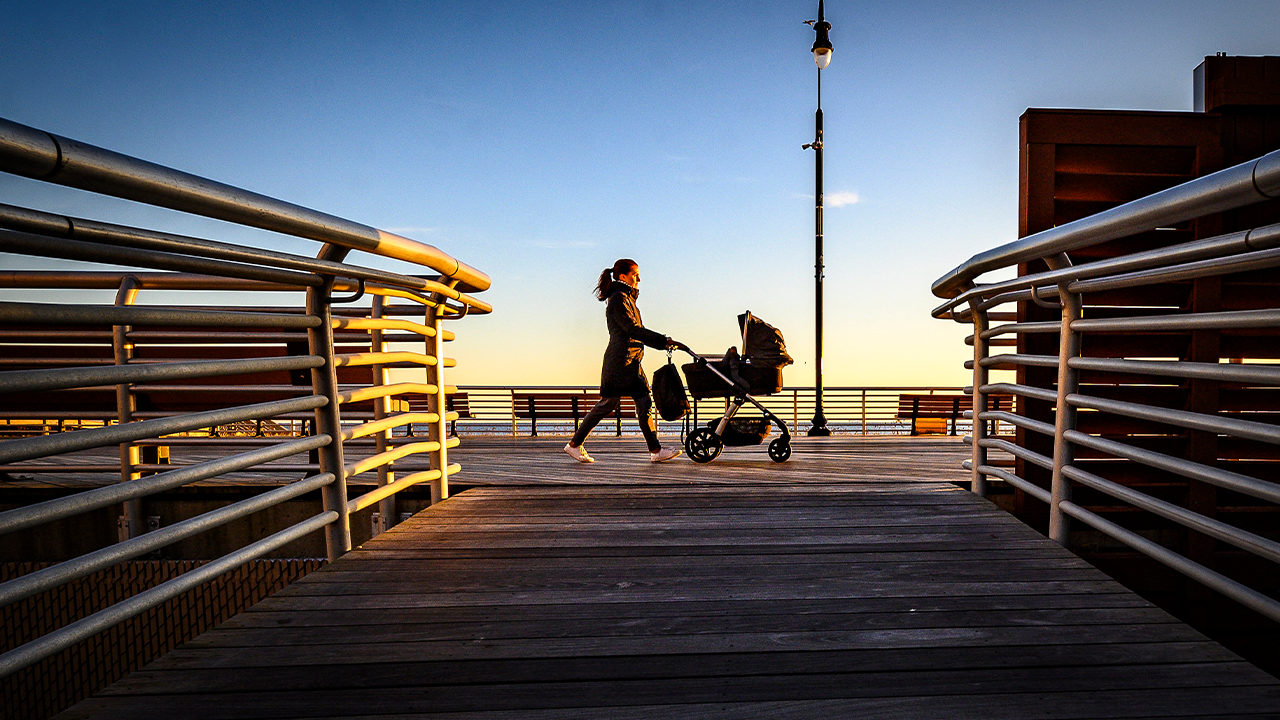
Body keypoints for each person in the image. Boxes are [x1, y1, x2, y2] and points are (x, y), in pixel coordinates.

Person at [565, 258, 685, 463]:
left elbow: (633, 331)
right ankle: (574, 444)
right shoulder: (619, 298)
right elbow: (632, 330)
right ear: (623, 276)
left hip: (630, 361)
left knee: (643, 402)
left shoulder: (626, 298)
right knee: (607, 404)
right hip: (620, 362)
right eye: (635, 275)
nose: (639, 278)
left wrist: (661, 342)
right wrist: (662, 341)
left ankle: (656, 451)